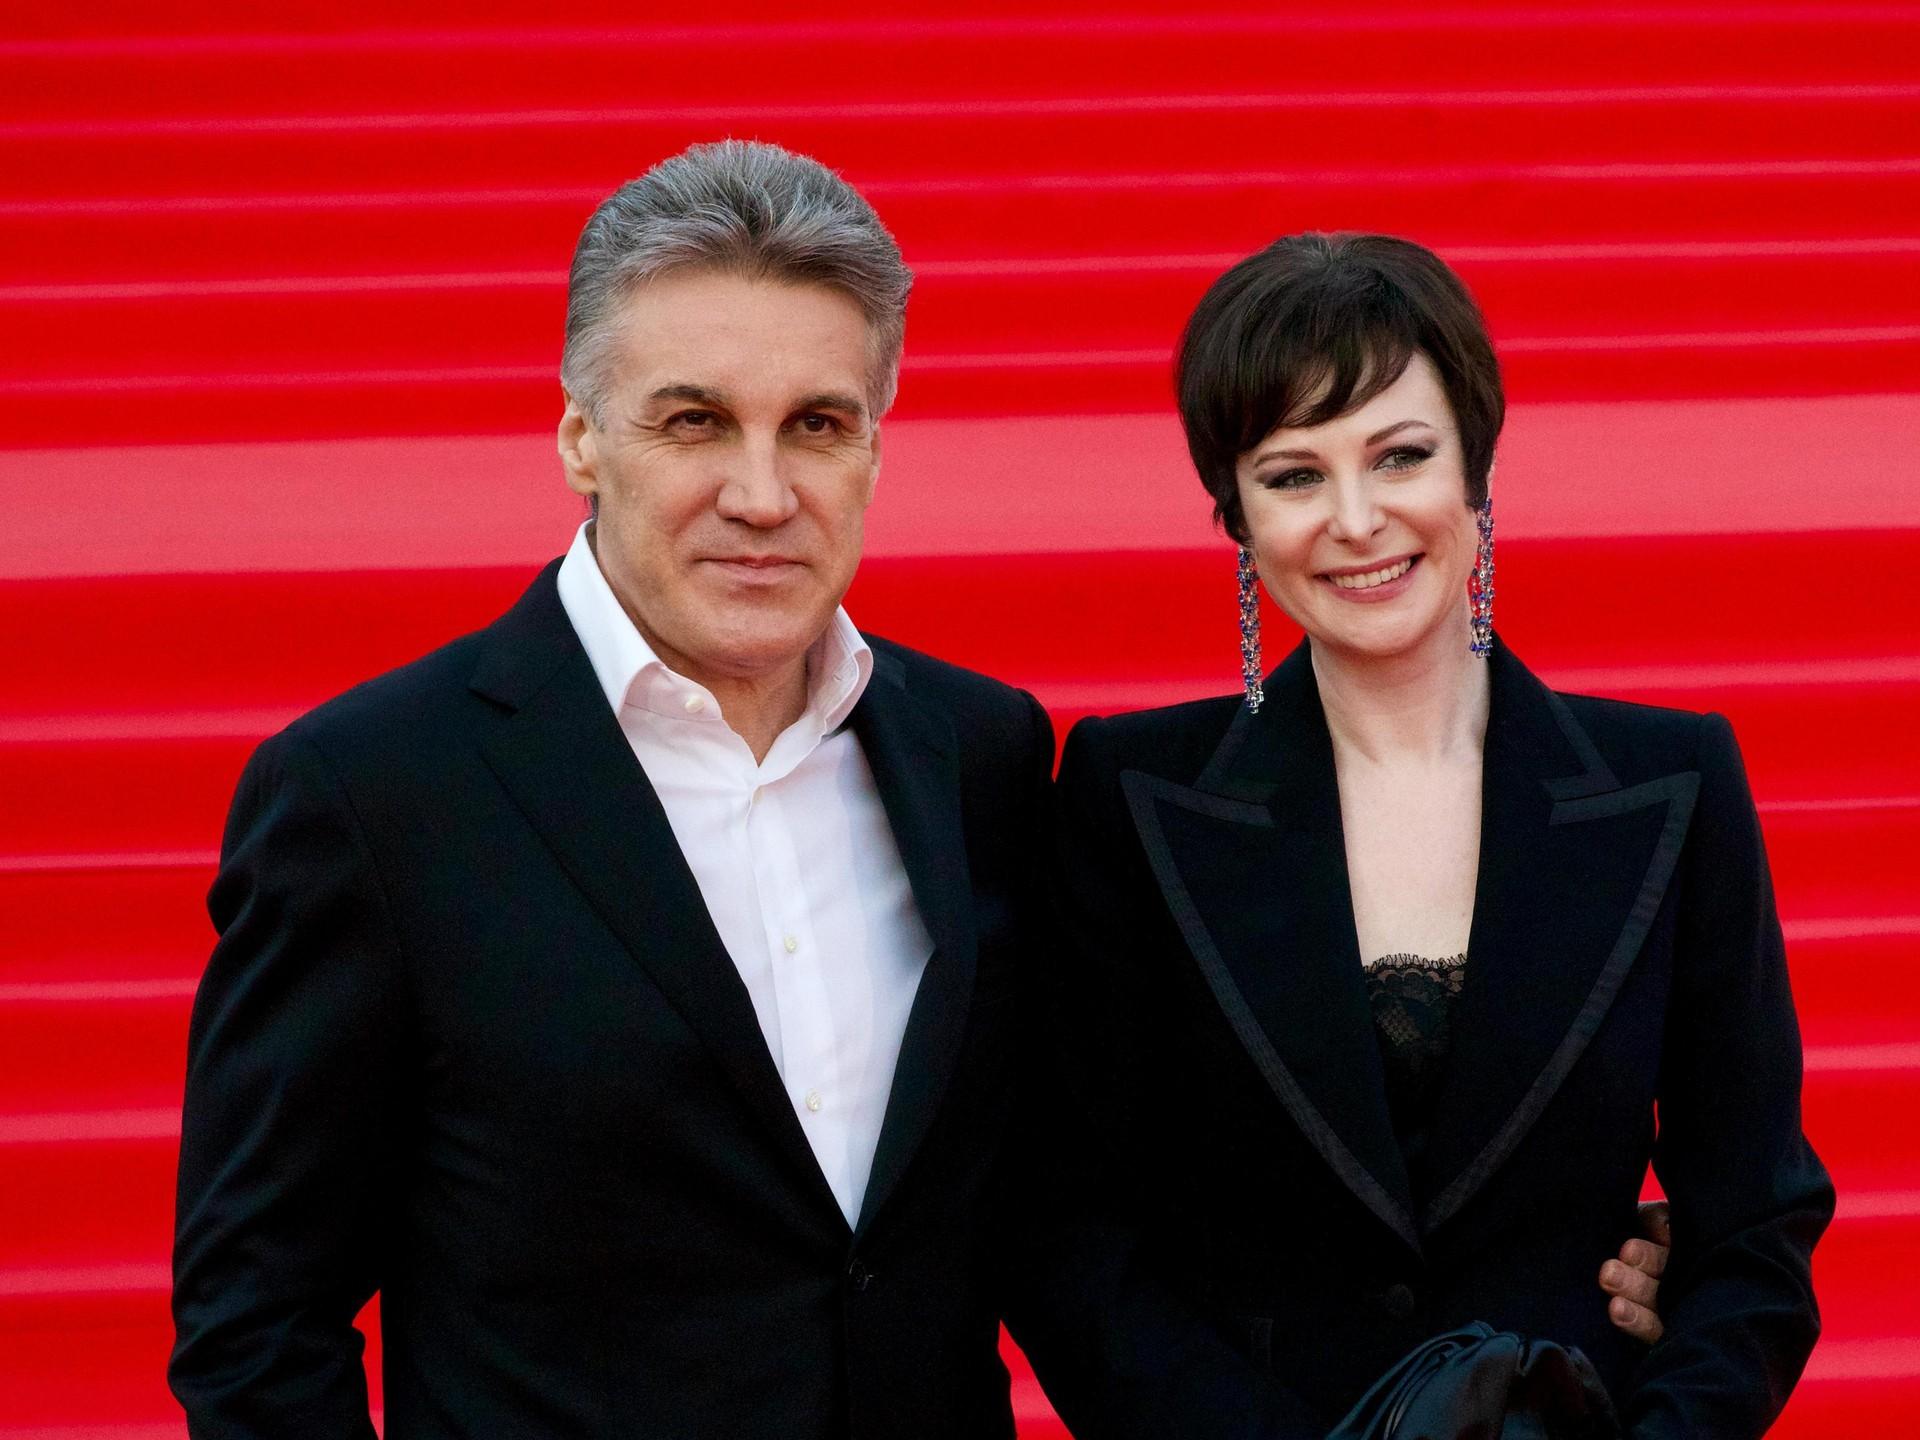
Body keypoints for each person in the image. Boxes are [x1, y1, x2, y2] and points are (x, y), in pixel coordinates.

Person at [168, 140, 1054, 1439]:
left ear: (875, 445)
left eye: (817, 426)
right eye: (695, 422)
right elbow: (256, 1318)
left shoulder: (979, 754)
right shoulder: (373, 793)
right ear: (582, 438)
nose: (763, 495)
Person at [1007, 233, 1831, 1437]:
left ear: (1476, 470)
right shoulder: (1129, 793)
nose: (1357, 519)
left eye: (1401, 456)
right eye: (1294, 474)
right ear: (1235, 513)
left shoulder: (1673, 783)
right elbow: (1068, 1228)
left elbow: (1754, 1225)